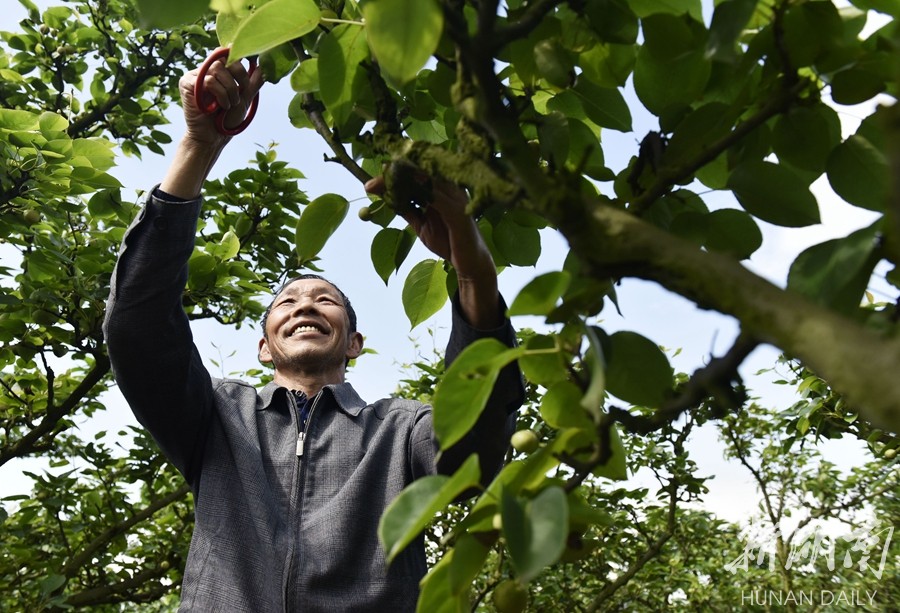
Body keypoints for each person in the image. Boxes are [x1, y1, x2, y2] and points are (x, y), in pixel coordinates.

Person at [102, 55, 524, 611]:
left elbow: (474, 445)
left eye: (326, 300)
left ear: (353, 343)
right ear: (263, 344)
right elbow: (138, 325)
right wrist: (198, 147)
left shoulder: (398, 431)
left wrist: (472, 269)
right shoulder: (217, 417)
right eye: (288, 301)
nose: (306, 305)